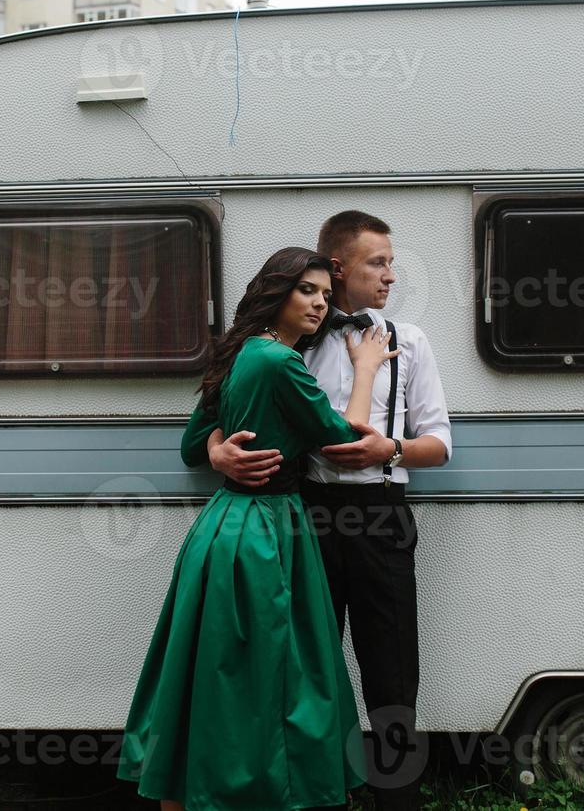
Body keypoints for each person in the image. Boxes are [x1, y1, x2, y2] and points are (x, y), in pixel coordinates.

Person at [118, 246, 396, 811]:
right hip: (266, 532)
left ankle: (192, 788)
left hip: (220, 529)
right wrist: (366, 368)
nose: (319, 303)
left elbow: (193, 445)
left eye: (324, 293)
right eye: (306, 291)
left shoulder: (241, 353)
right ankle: (266, 790)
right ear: (275, 294)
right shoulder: (279, 363)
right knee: (274, 673)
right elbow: (346, 441)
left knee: (214, 672)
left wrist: (220, 453)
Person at [204, 212, 453, 811]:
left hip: (381, 516)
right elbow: (224, 418)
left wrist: (389, 447)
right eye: (378, 262)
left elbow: (440, 444)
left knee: (392, 671)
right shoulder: (291, 345)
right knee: (308, 666)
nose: (391, 275)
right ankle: (322, 794)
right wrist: (218, 454)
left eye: (391, 263)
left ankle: (397, 802)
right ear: (339, 268)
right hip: (305, 514)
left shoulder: (410, 341)